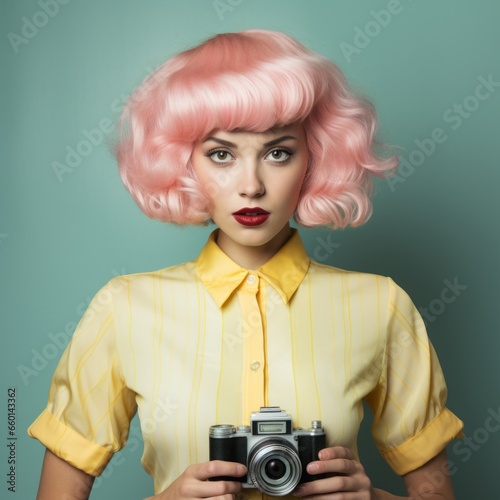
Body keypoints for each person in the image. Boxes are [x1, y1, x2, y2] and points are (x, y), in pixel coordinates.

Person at [29, 29, 463, 499]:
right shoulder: (124, 308)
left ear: (314, 158)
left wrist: (368, 497)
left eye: (278, 152)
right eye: (221, 154)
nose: (251, 185)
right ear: (184, 162)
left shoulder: (381, 305)